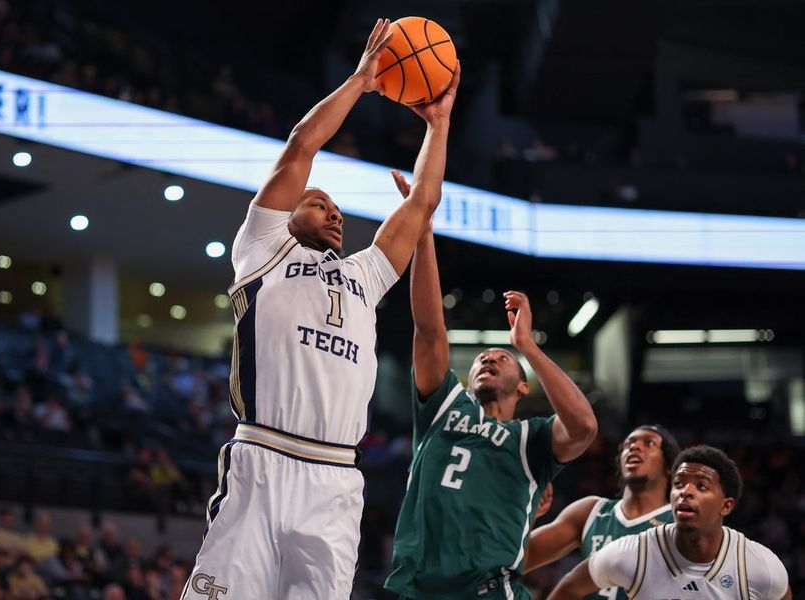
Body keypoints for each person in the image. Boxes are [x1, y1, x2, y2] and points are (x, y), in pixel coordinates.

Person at [181, 18, 461, 600]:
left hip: (335, 478)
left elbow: (422, 205)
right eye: (318, 203)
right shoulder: (263, 250)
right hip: (261, 458)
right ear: (286, 214)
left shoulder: (364, 274)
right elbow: (301, 146)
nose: (334, 214)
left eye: (338, 211)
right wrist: (361, 81)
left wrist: (438, 123)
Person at [383, 213, 598, 599]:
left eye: (501, 357)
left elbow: (584, 427)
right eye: (482, 357)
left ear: (522, 385)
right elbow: (430, 331)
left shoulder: (532, 438)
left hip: (490, 590)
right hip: (417, 590)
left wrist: (527, 345)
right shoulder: (444, 407)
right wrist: (423, 232)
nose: (487, 359)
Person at [548, 445, 791, 600]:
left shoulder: (757, 565)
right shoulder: (634, 552)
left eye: (701, 486)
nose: (685, 492)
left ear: (725, 506)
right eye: (678, 484)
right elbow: (569, 588)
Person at [524, 425, 679, 600]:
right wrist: (529, 516)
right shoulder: (590, 511)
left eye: (649, 443)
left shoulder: (678, 522)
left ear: (669, 466)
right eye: (629, 444)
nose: (634, 447)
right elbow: (518, 560)